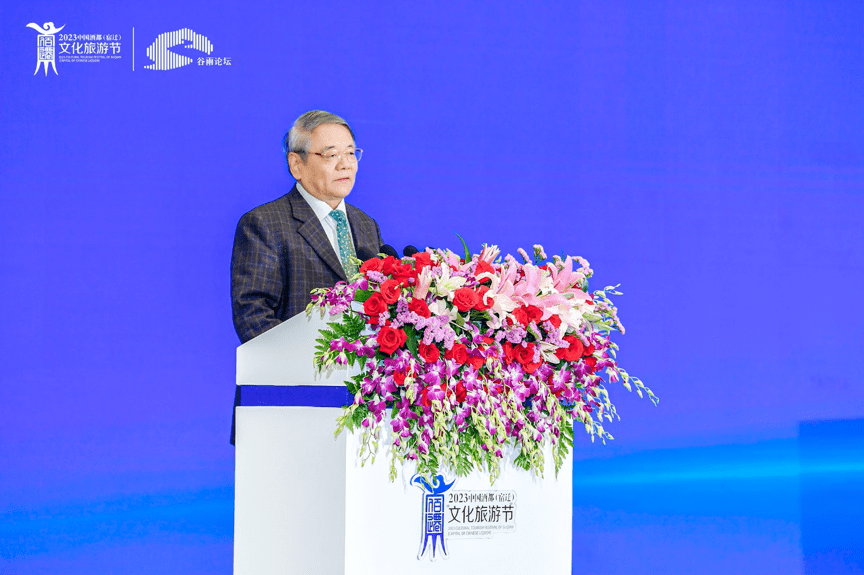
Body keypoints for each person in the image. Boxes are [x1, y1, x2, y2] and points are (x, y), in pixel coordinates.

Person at [231, 110, 384, 343]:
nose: (345, 165)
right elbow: (253, 316)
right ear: (296, 165)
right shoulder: (264, 224)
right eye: (331, 155)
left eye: (351, 153)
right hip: (299, 364)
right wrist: (309, 358)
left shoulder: (366, 224)